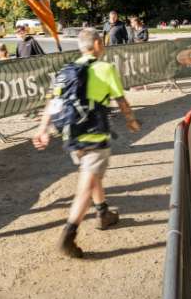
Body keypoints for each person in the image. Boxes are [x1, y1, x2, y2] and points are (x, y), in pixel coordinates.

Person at [33, 28, 141, 258]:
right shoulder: (105, 68)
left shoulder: (66, 71)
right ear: (98, 44)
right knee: (85, 187)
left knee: (92, 176)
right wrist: (131, 121)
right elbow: (121, 100)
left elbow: (53, 102)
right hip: (95, 136)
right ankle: (68, 236)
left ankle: (103, 213)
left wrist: (42, 129)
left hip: (72, 136)